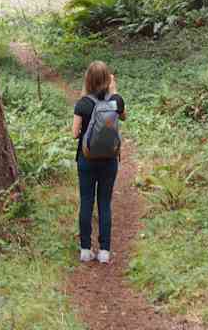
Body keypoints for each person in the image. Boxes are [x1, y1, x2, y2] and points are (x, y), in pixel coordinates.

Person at [71, 60, 125, 263]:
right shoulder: (117, 101)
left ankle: (85, 249)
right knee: (104, 202)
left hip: (86, 159)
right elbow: (123, 117)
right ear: (107, 79)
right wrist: (115, 91)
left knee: (86, 201)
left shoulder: (83, 103)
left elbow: (75, 133)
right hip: (110, 159)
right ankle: (104, 251)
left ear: (88, 80)